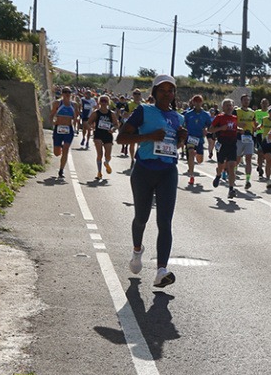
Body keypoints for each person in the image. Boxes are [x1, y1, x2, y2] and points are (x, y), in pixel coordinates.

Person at [115, 75, 186, 288]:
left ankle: (161, 271)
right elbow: (121, 138)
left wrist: (181, 140)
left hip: (168, 172)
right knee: (141, 218)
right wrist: (148, 137)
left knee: (165, 222)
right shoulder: (143, 111)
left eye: (170, 90)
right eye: (162, 90)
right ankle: (137, 251)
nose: (166, 93)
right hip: (144, 170)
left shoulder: (179, 118)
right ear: (154, 93)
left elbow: (174, 145)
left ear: (174, 94)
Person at [209, 98, 241, 199]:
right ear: (223, 107)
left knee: (231, 166)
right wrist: (220, 128)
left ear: (233, 107)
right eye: (226, 105)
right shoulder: (219, 117)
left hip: (232, 145)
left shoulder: (235, 118)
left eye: (230, 105)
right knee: (221, 165)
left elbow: (234, 128)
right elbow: (210, 129)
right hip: (222, 144)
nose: (229, 107)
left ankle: (231, 189)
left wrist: (240, 130)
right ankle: (218, 175)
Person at [86, 95, 120, 179]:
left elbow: (116, 124)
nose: (103, 103)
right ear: (99, 102)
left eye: (105, 101)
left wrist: (113, 128)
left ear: (108, 102)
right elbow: (88, 122)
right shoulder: (96, 113)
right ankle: (99, 172)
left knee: (108, 155)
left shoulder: (111, 114)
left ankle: (107, 163)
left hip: (108, 134)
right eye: (102, 101)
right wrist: (90, 127)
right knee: (99, 154)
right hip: (98, 134)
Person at [50, 87, 79, 178]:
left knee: (66, 151)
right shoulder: (58, 103)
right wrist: (53, 123)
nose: (67, 94)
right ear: (62, 93)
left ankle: (61, 171)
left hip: (68, 130)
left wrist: (76, 120)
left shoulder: (74, 105)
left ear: (71, 94)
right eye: (65, 92)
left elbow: (77, 117)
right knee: (57, 153)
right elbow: (51, 115)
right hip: (58, 129)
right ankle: (60, 147)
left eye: (69, 92)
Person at [182, 95, 211, 186]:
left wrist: (207, 131)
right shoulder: (188, 114)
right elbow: (183, 125)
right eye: (196, 101)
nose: (198, 103)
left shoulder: (206, 115)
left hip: (200, 138)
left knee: (200, 160)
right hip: (190, 137)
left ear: (202, 103)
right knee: (190, 153)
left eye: (199, 102)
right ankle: (191, 175)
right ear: (193, 103)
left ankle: (195, 154)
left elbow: (210, 127)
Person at [235, 94, 258, 190]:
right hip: (239, 138)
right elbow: (233, 123)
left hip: (249, 138)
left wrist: (255, 126)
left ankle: (247, 180)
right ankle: (233, 176)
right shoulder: (236, 111)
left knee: (248, 159)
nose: (246, 102)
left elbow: (254, 124)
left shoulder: (252, 112)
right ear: (241, 101)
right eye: (244, 100)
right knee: (237, 159)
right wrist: (239, 125)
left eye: (248, 100)